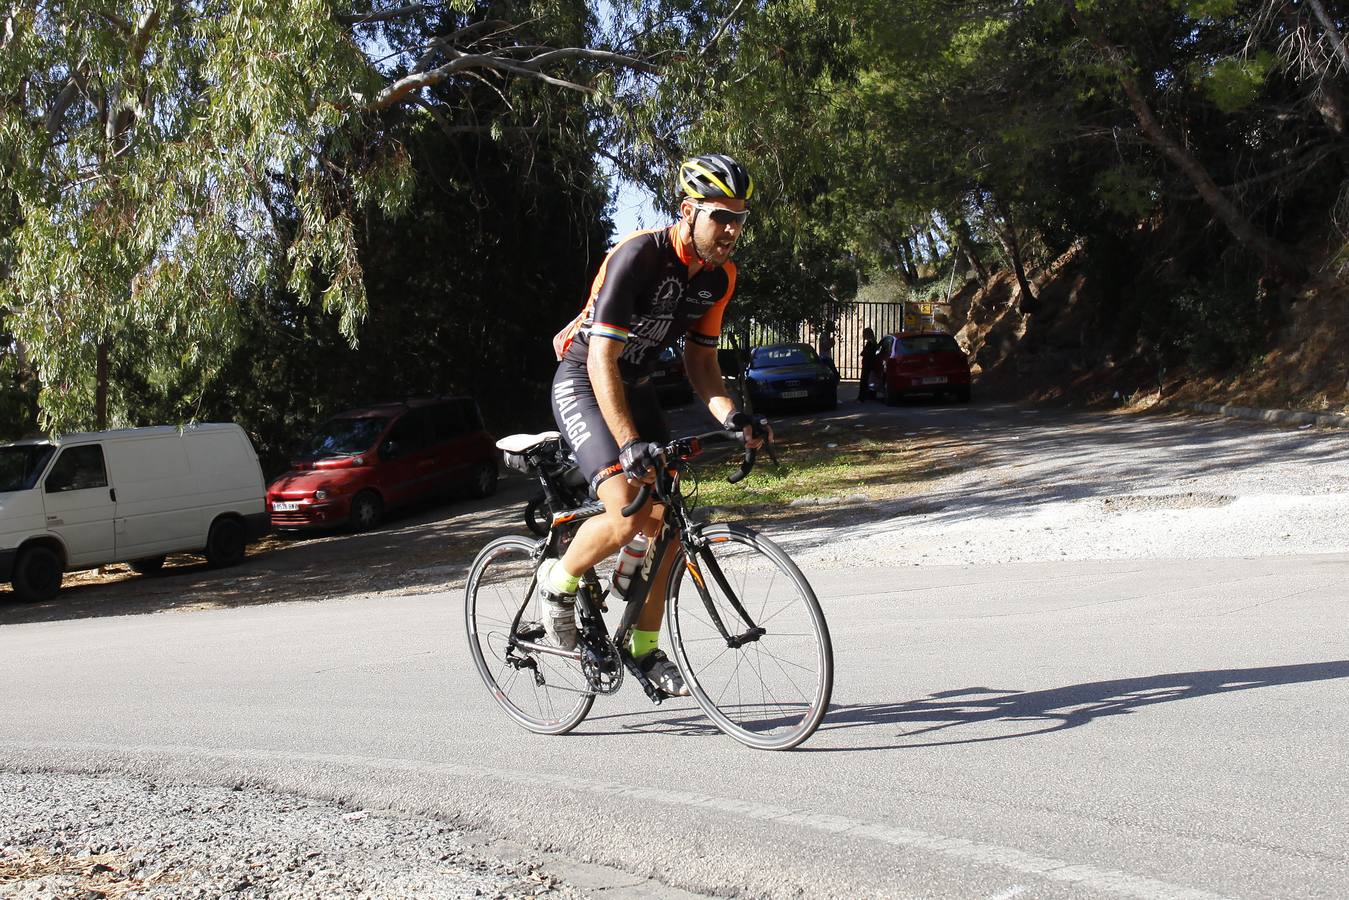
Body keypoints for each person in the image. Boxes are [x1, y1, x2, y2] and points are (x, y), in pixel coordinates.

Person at [544, 154, 772, 697]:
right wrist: (628, 445)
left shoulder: (720, 279)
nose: (733, 230)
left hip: (637, 386)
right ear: (688, 212)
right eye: (721, 216)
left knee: (670, 525)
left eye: (741, 218)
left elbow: (701, 366)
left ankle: (642, 646)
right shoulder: (639, 256)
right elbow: (600, 358)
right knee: (629, 510)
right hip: (585, 379)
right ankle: (557, 583)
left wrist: (734, 416)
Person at [858, 327, 878, 401]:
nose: (863, 335)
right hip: (870, 363)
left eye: (864, 333)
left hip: (868, 364)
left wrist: (863, 353)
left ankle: (861, 398)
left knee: (864, 381)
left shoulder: (870, 343)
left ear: (867, 334)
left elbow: (866, 353)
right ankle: (870, 396)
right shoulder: (873, 342)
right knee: (870, 380)